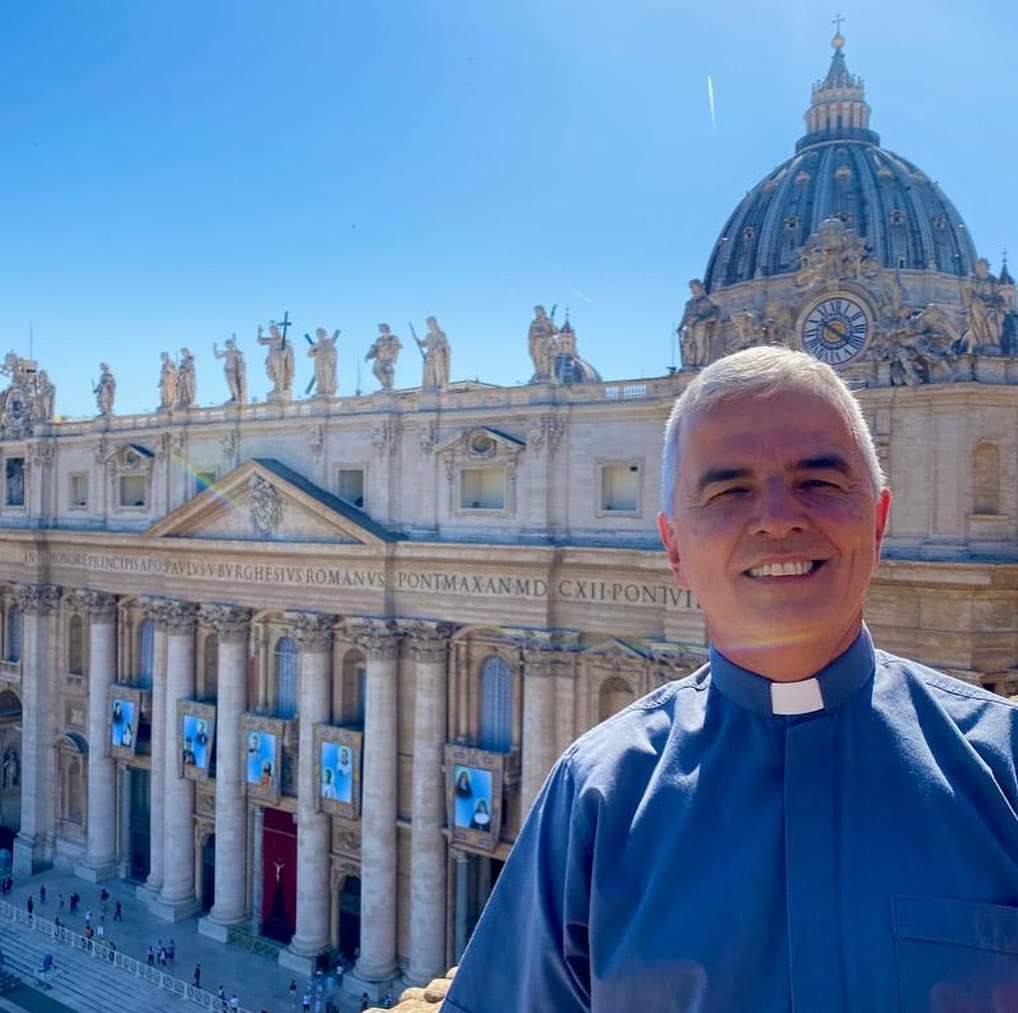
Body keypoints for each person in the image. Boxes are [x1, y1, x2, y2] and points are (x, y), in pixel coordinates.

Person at [443, 346, 1018, 1012]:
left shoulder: (1006, 767)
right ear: (675, 547)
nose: (777, 517)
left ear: (880, 520)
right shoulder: (593, 799)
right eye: (730, 490)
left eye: (820, 482)